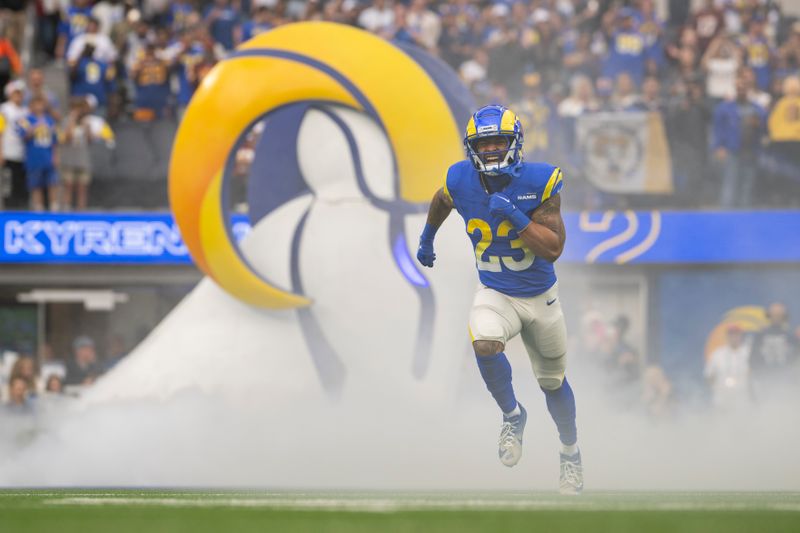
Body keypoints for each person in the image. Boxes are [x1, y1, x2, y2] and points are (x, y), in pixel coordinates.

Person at [416, 105, 582, 495]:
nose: (490, 150)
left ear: (515, 143)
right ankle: (512, 415)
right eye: (483, 143)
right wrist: (428, 236)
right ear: (471, 147)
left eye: (497, 142)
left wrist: (515, 216)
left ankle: (570, 455)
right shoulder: (460, 178)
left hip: (541, 299)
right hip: (495, 291)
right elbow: (443, 199)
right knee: (485, 342)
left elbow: (554, 248)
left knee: (552, 382)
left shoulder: (540, 181)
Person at [16, 96, 59, 211]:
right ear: (31, 106)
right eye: (36, 104)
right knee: (35, 185)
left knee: (52, 183)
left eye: (41, 104)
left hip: (48, 157)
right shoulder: (26, 120)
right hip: (33, 158)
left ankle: (54, 207)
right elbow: (23, 137)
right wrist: (34, 127)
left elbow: (54, 141)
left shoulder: (50, 120)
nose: (39, 107)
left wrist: (55, 156)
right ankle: (38, 209)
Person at [704, 324, 751, 410]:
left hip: (742, 397)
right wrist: (717, 387)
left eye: (736, 334)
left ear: (740, 336)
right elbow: (709, 374)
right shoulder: (718, 354)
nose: (734, 337)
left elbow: (754, 373)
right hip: (722, 397)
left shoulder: (748, 353)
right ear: (727, 336)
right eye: (731, 334)